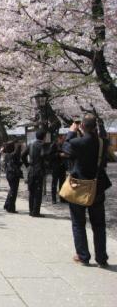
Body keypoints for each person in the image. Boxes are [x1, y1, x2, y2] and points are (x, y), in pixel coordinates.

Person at [62, 115, 111, 268]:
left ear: (82, 125)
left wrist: (71, 133)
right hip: (97, 186)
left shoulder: (77, 142)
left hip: (79, 187)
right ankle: (101, 257)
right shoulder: (103, 142)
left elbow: (65, 148)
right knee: (99, 224)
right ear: (95, 126)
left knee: (78, 222)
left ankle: (83, 255)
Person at [22, 130, 49, 217]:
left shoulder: (30, 145)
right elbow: (45, 156)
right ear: (44, 137)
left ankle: (31, 210)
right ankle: (36, 211)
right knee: (38, 191)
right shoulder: (43, 145)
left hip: (31, 170)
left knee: (31, 191)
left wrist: (27, 165)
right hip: (39, 171)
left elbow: (23, 155)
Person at [3, 141, 22, 214]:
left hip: (9, 174)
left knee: (12, 190)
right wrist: (19, 146)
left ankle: (7, 205)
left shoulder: (7, 155)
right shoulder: (12, 155)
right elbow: (17, 152)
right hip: (13, 174)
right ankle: (11, 207)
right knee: (13, 191)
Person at [50, 135, 68, 204]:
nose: (63, 140)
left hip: (62, 167)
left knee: (62, 183)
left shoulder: (64, 145)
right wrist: (59, 155)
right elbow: (50, 156)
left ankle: (62, 198)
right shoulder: (54, 145)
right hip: (55, 167)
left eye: (64, 139)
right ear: (59, 138)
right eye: (62, 139)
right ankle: (53, 198)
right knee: (54, 183)